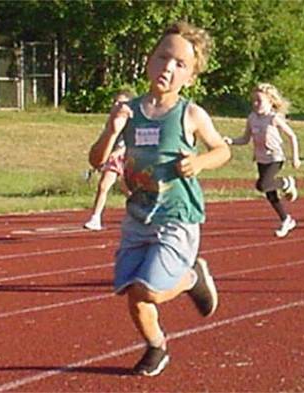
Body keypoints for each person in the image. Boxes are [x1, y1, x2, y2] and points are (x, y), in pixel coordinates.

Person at [87, 21, 231, 377]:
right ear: (149, 61)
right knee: (133, 295)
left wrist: (198, 161)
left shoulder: (190, 114)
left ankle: (191, 278)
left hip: (177, 216)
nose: (169, 66)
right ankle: (156, 347)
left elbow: (222, 150)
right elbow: (96, 159)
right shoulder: (129, 112)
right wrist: (111, 129)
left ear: (191, 77)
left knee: (149, 290)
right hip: (139, 216)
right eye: (163, 57)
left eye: (180, 63)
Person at [224, 83, 301, 237]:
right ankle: (286, 219)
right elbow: (245, 139)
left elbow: (292, 136)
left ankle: (286, 182)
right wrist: (231, 141)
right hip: (261, 159)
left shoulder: (273, 118)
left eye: (259, 101)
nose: (255, 104)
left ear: (270, 102)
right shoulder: (252, 118)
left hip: (275, 158)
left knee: (262, 185)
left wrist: (295, 157)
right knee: (269, 193)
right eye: (253, 101)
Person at [83, 89, 136, 231]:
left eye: (121, 102)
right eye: (115, 102)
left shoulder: (134, 122)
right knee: (104, 185)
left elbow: (133, 142)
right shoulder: (111, 120)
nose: (116, 105)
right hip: (113, 157)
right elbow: (105, 140)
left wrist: (119, 152)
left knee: (129, 191)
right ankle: (95, 217)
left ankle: (143, 211)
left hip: (127, 157)